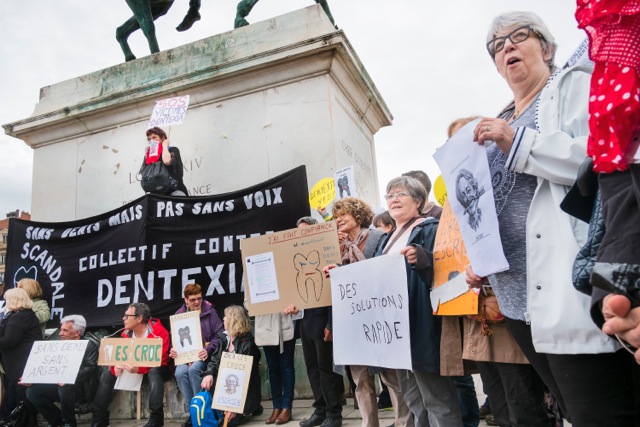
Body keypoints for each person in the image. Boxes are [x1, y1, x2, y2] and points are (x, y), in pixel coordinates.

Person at [466, 11, 637, 425]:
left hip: (566, 289)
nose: (506, 46)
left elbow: (604, 156)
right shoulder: (502, 116)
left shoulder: (572, 85)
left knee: (600, 411)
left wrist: (519, 142)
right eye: (497, 45)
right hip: (517, 300)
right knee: (566, 409)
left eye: (518, 36)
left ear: (547, 47)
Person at [441, 116, 547, 427]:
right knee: (497, 396)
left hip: (506, 308)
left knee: (522, 399)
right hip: (476, 313)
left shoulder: (505, 181)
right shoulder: (454, 200)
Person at [374, 176, 463, 426]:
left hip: (421, 324)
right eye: (390, 195)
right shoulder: (386, 239)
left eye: (400, 194)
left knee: (437, 398)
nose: (393, 200)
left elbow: (450, 270)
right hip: (396, 329)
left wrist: (424, 258)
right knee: (413, 398)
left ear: (418, 200)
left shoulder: (431, 229)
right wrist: (338, 271)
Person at [323, 198, 412, 427]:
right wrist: (335, 270)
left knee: (391, 376)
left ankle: (403, 423)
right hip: (353, 322)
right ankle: (368, 423)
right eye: (336, 216)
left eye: (343, 214)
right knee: (360, 379)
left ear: (358, 215)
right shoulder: (337, 247)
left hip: (379, 319)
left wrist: (344, 270)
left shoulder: (378, 238)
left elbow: (383, 272)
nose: (339, 219)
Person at [285, 216, 344, 427]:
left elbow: (332, 292)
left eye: (305, 230)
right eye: (298, 230)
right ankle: (320, 410)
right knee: (312, 367)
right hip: (305, 320)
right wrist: (291, 306)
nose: (301, 234)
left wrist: (331, 323)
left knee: (326, 368)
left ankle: (334, 413)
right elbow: (294, 290)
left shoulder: (328, 253)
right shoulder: (295, 258)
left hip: (322, 320)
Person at [91, 303, 170, 427]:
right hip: (133, 368)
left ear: (139, 318)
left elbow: (161, 361)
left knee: (155, 371)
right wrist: (116, 366)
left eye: (127, 316)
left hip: (153, 369)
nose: (123, 318)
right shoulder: (126, 333)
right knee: (108, 373)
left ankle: (156, 419)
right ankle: (99, 419)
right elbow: (120, 356)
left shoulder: (160, 332)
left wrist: (139, 369)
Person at [26, 315, 99, 427]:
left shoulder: (89, 346)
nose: (60, 333)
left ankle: (69, 422)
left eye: (65, 330)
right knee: (32, 391)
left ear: (77, 333)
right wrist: (31, 377)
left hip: (81, 388)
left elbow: (91, 368)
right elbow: (45, 367)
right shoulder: (56, 345)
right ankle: (56, 420)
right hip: (58, 384)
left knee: (65, 385)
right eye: (61, 330)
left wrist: (70, 377)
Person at [170, 284, 223, 427]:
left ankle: (203, 409)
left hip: (204, 355)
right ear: (186, 300)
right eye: (193, 299)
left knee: (194, 370)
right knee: (180, 372)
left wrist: (208, 349)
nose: (197, 302)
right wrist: (173, 350)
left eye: (199, 298)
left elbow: (220, 335)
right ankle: (192, 412)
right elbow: (174, 340)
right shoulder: (178, 315)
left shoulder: (210, 312)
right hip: (185, 356)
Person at [200, 305, 263, 427]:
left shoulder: (248, 344)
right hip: (225, 385)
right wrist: (208, 374)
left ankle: (252, 406)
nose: (223, 319)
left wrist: (233, 407)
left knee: (225, 422)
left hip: (242, 389)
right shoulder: (224, 338)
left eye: (226, 317)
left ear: (233, 320)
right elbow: (215, 360)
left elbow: (244, 378)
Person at [0, 288, 42, 424]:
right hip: (18, 362)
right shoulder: (19, 315)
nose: (5, 302)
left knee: (23, 396)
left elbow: (9, 341)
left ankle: (27, 421)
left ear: (14, 300)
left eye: (7, 299)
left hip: (22, 362)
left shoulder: (21, 317)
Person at [254, 305, 298, 424]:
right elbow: (248, 304)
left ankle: (286, 407)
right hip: (266, 326)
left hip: (285, 322)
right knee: (273, 368)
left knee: (286, 366)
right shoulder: (249, 284)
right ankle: (276, 407)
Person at [142, 126, 188, 196]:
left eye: (154, 137)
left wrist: (165, 145)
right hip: (157, 194)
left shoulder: (172, 150)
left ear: (163, 137)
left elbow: (167, 161)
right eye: (149, 139)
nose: (151, 141)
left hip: (175, 191)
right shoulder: (149, 156)